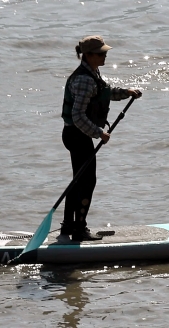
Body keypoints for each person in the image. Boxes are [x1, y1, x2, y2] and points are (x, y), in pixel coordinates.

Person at [60, 35, 142, 242]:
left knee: (78, 180)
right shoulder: (84, 80)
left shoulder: (92, 73)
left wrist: (126, 92)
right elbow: (78, 116)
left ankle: (68, 226)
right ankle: (79, 229)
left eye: (105, 52)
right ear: (88, 56)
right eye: (100, 53)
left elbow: (105, 93)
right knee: (87, 181)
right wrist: (99, 133)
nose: (105, 55)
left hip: (77, 134)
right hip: (77, 135)